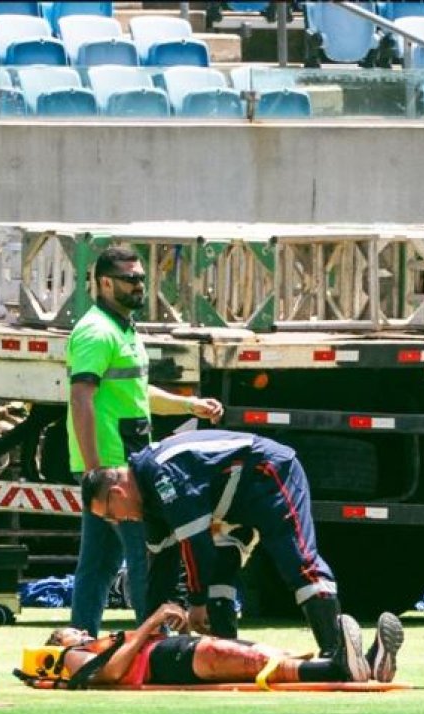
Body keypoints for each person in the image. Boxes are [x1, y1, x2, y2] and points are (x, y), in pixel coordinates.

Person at [80, 429, 405, 682]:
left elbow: (196, 545)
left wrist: (195, 603)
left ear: (117, 493)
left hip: (268, 474)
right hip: (230, 502)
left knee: (298, 562)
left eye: (110, 514)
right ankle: (365, 660)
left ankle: (336, 653)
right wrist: (151, 635)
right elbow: (161, 570)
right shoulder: (149, 502)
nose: (117, 521)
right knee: (219, 575)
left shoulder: (163, 475)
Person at [67, 246, 223, 637]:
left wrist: (188, 405)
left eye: (141, 278)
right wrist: (95, 472)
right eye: (130, 279)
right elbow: (81, 398)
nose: (139, 285)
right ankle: (154, 645)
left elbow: (136, 392)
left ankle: (82, 641)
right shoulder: (96, 331)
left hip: (123, 465)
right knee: (145, 558)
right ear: (105, 283)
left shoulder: (124, 328)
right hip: (114, 470)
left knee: (99, 564)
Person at [43, 601, 405, 688]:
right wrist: (151, 622)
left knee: (249, 652)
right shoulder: (69, 657)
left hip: (166, 653)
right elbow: (112, 672)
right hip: (160, 662)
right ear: (59, 644)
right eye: (70, 631)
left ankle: (369, 662)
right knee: (237, 657)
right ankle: (342, 667)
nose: (80, 631)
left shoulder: (92, 645)